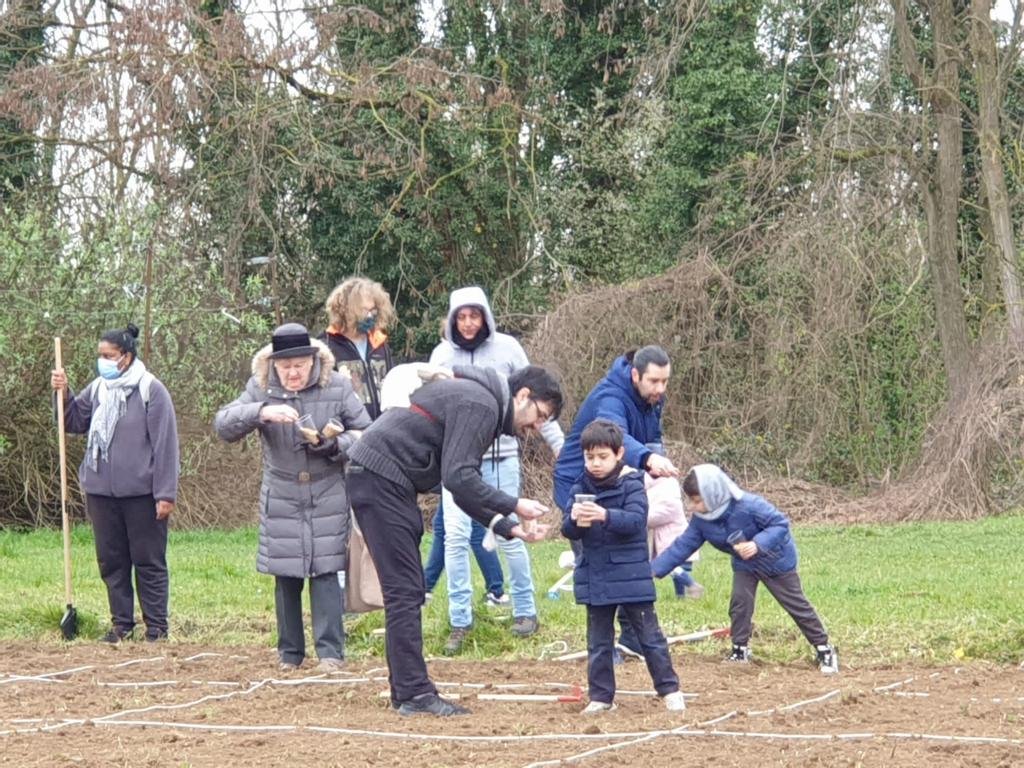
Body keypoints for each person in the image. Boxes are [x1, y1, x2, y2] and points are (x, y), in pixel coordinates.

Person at [346, 364, 563, 716]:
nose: (537, 428)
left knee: (407, 588)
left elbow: (459, 486)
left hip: (379, 478)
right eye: (541, 415)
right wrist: (514, 503)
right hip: (380, 478)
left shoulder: (478, 400)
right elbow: (459, 477)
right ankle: (414, 695)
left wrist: (507, 526)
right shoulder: (481, 404)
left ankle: (406, 691)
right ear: (523, 396)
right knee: (405, 589)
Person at [214, 323, 372, 672]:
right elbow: (223, 424)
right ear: (273, 365)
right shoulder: (259, 388)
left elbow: (366, 433)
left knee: (326, 570)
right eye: (285, 367)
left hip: (327, 487)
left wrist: (332, 444)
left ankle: (331, 653)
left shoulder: (339, 385)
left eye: (299, 365)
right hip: (282, 490)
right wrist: (261, 412)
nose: (293, 373)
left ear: (313, 361)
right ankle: (289, 654)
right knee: (285, 574)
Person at [428, 286, 564, 653]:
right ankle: (460, 621)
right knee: (455, 538)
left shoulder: (507, 349)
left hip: (501, 457)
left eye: (475, 316)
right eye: (462, 316)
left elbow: (537, 400)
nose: (469, 323)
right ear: (453, 319)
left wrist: (559, 445)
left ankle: (525, 611)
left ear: (485, 317)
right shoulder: (441, 354)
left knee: (511, 534)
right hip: (454, 461)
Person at [50, 323, 179, 643]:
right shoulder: (97, 390)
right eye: (100, 356)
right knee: (112, 561)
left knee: (147, 561)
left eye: (108, 355)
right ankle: (121, 625)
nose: (102, 361)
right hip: (101, 493)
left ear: (126, 356)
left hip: (142, 495)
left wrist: (165, 493)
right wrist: (62, 393)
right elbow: (72, 421)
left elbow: (166, 445)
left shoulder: (151, 390)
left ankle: (157, 629)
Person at [653, 463, 839, 674]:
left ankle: (824, 649)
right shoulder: (701, 521)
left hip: (775, 559)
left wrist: (757, 544)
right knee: (740, 603)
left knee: (795, 604)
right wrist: (654, 569)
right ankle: (739, 650)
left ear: (713, 494)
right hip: (744, 562)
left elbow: (779, 524)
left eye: (697, 501)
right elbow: (682, 546)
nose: (692, 507)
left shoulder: (749, 505)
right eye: (691, 501)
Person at [561, 419, 686, 713]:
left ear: (619, 454)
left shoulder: (632, 482)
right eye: (589, 457)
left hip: (632, 576)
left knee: (650, 638)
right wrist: (575, 519)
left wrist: (604, 515)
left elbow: (635, 521)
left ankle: (670, 690)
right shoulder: (579, 485)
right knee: (598, 643)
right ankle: (601, 697)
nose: (595, 463)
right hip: (596, 576)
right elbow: (567, 529)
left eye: (602, 456)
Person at [319, 276, 396, 420]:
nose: (369, 316)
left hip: (384, 427)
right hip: (351, 432)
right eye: (363, 310)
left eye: (373, 310)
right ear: (344, 310)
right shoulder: (326, 346)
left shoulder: (379, 343)